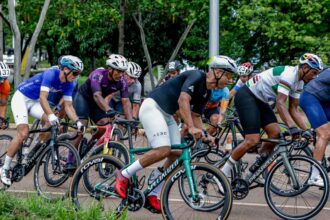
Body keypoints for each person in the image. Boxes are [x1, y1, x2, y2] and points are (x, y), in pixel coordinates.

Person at [114, 55, 238, 213]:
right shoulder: (197, 76)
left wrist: (205, 134)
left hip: (167, 114)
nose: (229, 80)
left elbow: (196, 116)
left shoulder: (207, 92)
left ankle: (153, 192)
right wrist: (191, 128)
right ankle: (124, 174)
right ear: (218, 72)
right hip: (153, 107)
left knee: (177, 152)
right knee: (163, 149)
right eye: (228, 76)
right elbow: (183, 100)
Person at [221, 53, 323, 185]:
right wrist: (292, 128)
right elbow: (280, 103)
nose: (314, 77)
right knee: (252, 140)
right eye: (314, 72)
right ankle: (223, 174)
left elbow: (293, 109)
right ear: (304, 68)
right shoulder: (289, 75)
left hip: (261, 101)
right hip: (247, 95)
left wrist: (306, 130)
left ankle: (254, 172)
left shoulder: (299, 82)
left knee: (275, 134)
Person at [0, 55, 85, 186]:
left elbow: (68, 106)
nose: (76, 76)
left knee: (52, 124)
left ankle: (37, 147)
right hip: (22, 98)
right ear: (65, 70)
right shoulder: (51, 73)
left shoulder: (70, 83)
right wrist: (51, 115)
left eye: (78, 74)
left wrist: (77, 122)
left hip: (33, 102)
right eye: (74, 73)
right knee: (23, 133)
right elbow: (43, 98)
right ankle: (5, 168)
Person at [72, 54, 133, 148]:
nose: (121, 75)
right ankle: (70, 160)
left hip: (96, 103)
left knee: (104, 125)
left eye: (123, 72)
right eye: (118, 71)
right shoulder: (98, 75)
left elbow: (126, 101)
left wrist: (130, 121)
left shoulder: (122, 81)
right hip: (84, 99)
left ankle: (90, 146)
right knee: (82, 128)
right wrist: (108, 109)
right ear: (110, 69)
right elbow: (97, 95)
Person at [299, 67, 330, 185]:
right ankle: (314, 176)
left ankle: (323, 156)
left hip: (323, 101)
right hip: (310, 98)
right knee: (325, 134)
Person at [0, 62, 11, 129]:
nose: (2, 81)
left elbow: (3, 104)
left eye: (4, 78)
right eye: (0, 78)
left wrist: (1, 121)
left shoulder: (5, 85)